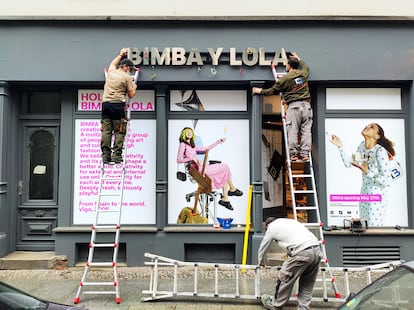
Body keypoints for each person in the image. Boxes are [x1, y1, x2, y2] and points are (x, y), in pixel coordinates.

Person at [330, 123, 394, 226]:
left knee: (373, 230)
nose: (367, 127)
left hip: (376, 196)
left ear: (377, 136)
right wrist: (340, 146)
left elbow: (387, 180)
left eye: (372, 127)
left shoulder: (380, 151)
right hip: (364, 193)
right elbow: (349, 163)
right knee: (364, 229)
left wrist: (368, 172)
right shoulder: (362, 146)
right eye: (367, 125)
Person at [252, 52, 312, 161]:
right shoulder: (303, 73)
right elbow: (305, 67)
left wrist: (259, 90)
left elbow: (272, 91)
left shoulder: (284, 79)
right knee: (306, 131)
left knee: (293, 130)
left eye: (286, 64)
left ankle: (293, 154)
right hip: (307, 106)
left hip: (294, 107)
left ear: (289, 66)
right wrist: (298, 58)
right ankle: (304, 154)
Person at [258, 217, 321, 310]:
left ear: (267, 225)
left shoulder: (271, 227)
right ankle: (303, 308)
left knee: (284, 279)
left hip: (301, 252)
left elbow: (263, 247)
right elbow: (296, 238)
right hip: (316, 250)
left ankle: (276, 305)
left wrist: (261, 262)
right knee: (307, 283)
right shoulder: (289, 222)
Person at [176, 127, 243, 210]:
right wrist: (191, 159)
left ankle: (226, 197)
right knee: (224, 168)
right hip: (196, 171)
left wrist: (218, 142)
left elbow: (206, 148)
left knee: (224, 168)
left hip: (202, 168)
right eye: (187, 132)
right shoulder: (183, 145)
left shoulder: (192, 146)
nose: (189, 133)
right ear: (183, 134)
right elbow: (179, 160)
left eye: (191, 131)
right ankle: (231, 190)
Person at [101, 48, 137, 164]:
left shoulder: (111, 71)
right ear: (125, 66)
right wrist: (134, 86)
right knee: (119, 131)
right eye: (130, 69)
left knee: (106, 131)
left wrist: (120, 55)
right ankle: (117, 155)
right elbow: (131, 95)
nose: (130, 71)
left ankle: (106, 155)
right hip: (117, 105)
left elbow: (113, 63)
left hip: (105, 104)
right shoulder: (126, 78)